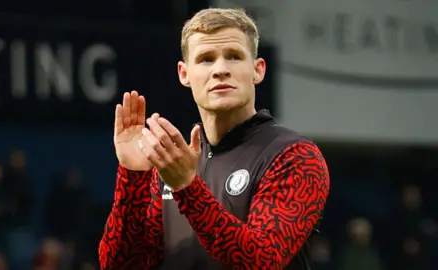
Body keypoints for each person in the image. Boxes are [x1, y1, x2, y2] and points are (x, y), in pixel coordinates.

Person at [99, 8, 330, 270]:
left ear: (258, 70)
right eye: (206, 59)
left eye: (233, 56)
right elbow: (120, 265)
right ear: (184, 74)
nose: (220, 69)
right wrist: (133, 178)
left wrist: (187, 188)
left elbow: (261, 261)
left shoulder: (294, 156)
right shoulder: (170, 167)